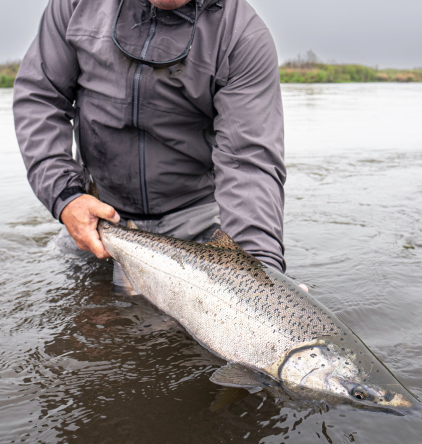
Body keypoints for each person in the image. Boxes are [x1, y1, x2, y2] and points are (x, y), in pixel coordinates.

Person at [13, 0, 287, 279]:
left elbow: (249, 165)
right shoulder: (75, 5)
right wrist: (66, 197)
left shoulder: (243, 35)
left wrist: (262, 274)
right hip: (96, 216)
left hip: (195, 227)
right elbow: (41, 99)